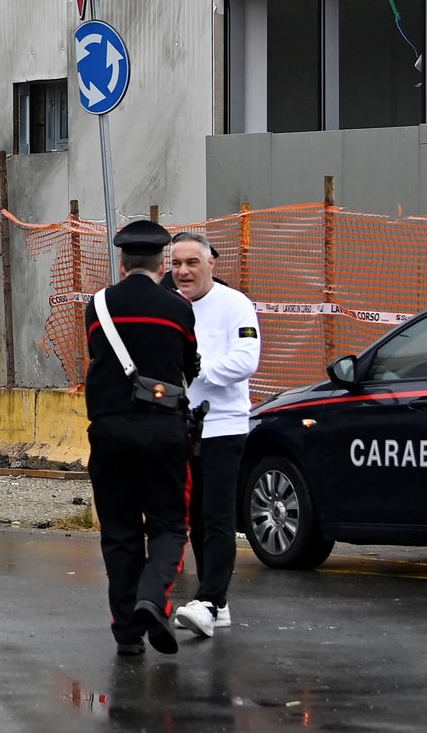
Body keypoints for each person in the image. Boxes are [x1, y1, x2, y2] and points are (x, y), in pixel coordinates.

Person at [84, 219, 199, 657]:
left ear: (122, 259)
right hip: (163, 432)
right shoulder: (178, 308)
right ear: (162, 261)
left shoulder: (97, 306)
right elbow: (190, 367)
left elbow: (99, 356)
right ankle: (153, 597)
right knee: (170, 524)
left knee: (120, 531)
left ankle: (127, 632)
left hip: (110, 432)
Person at [166, 231, 261, 639]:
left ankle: (207, 600)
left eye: (192, 263)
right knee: (197, 520)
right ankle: (216, 602)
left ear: (210, 264)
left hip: (223, 425)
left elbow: (246, 359)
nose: (183, 271)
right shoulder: (169, 307)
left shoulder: (234, 304)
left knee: (219, 516)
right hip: (180, 426)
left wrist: (198, 372)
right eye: (176, 264)